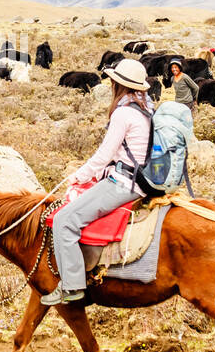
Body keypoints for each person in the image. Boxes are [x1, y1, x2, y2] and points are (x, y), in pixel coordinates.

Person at [43, 58, 153, 305]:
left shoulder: (124, 112)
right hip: (139, 179)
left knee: (64, 221)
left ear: (117, 85)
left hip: (124, 183)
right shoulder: (146, 108)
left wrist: (78, 176)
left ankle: (71, 286)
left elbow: (104, 155)